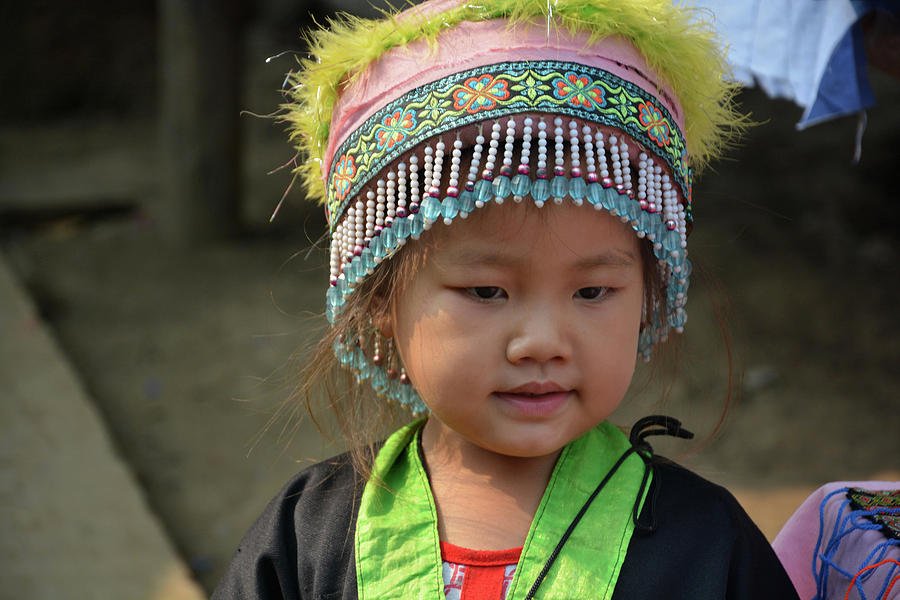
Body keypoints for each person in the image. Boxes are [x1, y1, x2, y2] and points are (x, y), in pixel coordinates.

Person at [213, 0, 801, 597]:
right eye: (487, 291)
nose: (542, 341)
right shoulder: (306, 535)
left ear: (649, 295)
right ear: (382, 299)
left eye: (593, 290)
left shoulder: (708, 544)